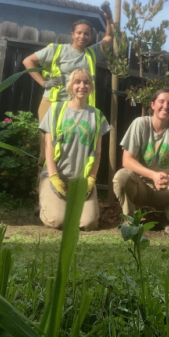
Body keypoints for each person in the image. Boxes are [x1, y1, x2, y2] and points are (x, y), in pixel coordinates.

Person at [23, 17, 114, 164]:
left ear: (91, 36)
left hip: (77, 107)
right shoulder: (57, 50)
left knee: (72, 146)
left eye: (86, 34)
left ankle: (67, 183)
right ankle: (44, 184)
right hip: (53, 103)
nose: (82, 36)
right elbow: (28, 61)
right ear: (72, 34)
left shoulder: (92, 53)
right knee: (48, 147)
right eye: (79, 33)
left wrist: (109, 18)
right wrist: (43, 83)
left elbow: (109, 37)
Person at [113, 89, 169, 234]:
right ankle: (131, 218)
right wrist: (152, 175)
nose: (166, 106)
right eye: (162, 102)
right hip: (140, 186)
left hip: (166, 187)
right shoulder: (139, 124)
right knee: (121, 176)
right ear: (152, 105)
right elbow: (127, 160)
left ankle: (167, 218)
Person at [38, 69, 109, 230]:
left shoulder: (97, 116)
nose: (82, 86)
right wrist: (54, 176)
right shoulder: (56, 110)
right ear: (70, 86)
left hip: (81, 180)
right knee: (57, 221)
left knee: (88, 224)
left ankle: (70, 204)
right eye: (77, 82)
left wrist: (91, 179)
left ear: (91, 87)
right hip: (55, 177)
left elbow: (97, 152)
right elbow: (48, 146)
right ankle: (47, 206)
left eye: (86, 82)